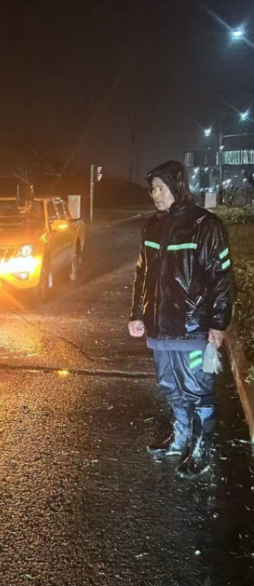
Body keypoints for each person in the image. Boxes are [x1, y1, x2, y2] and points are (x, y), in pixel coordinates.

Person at [129, 160, 233, 479]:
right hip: (160, 328)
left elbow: (221, 277)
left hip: (192, 328)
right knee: (170, 386)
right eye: (152, 189)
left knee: (197, 390)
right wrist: (137, 314)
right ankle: (180, 439)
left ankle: (201, 451)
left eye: (161, 188)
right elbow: (142, 274)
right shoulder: (152, 227)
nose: (155, 194)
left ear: (178, 187)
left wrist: (218, 323)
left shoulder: (205, 225)